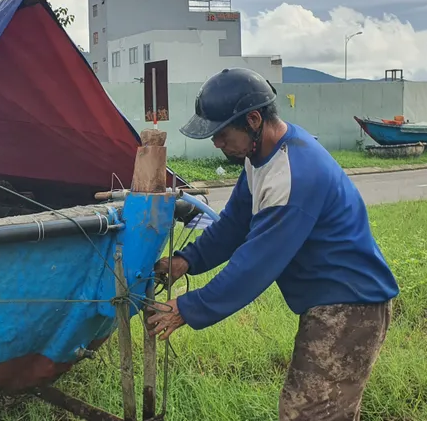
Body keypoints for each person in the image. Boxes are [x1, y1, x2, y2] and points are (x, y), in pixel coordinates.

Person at [147, 67, 400, 421]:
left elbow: (256, 264)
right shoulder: (259, 158)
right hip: (331, 301)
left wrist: (188, 308)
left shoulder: (294, 174)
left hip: (350, 308)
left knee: (307, 414)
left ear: (253, 120)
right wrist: (185, 261)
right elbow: (235, 225)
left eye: (220, 133)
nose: (216, 143)